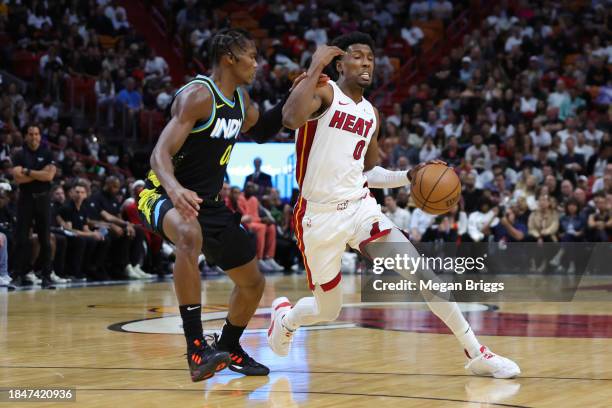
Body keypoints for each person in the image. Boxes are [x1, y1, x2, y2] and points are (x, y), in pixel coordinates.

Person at [268, 33, 520, 379]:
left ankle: (477, 352)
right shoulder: (324, 91)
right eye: (357, 56)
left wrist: (409, 175)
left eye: (370, 57)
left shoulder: (371, 114)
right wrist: (315, 65)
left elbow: (367, 172)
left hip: (360, 209)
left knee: (426, 276)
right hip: (318, 216)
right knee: (328, 310)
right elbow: (290, 119)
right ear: (339, 64)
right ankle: (286, 317)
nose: (366, 62)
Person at [137, 29, 324, 382]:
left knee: (252, 282)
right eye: (251, 55)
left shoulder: (240, 100)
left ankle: (230, 346)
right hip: (161, 193)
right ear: (229, 57)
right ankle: (196, 348)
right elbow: (159, 153)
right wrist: (175, 189)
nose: (256, 62)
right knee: (188, 235)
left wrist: (301, 88)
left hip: (207, 204)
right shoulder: (197, 96)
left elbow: (268, 127)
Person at [11, 125, 56, 288]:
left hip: (43, 200)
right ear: (25, 136)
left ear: (40, 136)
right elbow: (18, 178)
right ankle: (17, 275)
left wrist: (28, 171)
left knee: (45, 239)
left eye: (36, 134)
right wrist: (39, 174)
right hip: (25, 200)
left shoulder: (47, 153)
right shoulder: (19, 154)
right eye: (30, 134)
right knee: (21, 238)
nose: (34, 137)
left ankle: (47, 276)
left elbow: (49, 175)